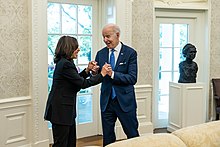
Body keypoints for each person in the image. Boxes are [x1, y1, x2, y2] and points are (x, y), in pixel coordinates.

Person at [44, 36, 110, 147]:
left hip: (64, 111)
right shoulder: (65, 64)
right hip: (61, 112)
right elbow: (83, 84)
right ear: (68, 48)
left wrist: (87, 70)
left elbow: (75, 81)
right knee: (61, 144)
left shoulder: (65, 63)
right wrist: (102, 74)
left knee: (69, 143)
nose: (78, 49)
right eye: (76, 47)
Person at [94, 23, 139, 146]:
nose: (105, 40)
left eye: (108, 36)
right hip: (106, 102)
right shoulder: (100, 53)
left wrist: (113, 74)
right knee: (107, 138)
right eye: (103, 37)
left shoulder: (130, 53)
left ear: (117, 35)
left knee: (132, 135)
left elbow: (132, 78)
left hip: (125, 102)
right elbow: (99, 76)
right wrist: (94, 72)